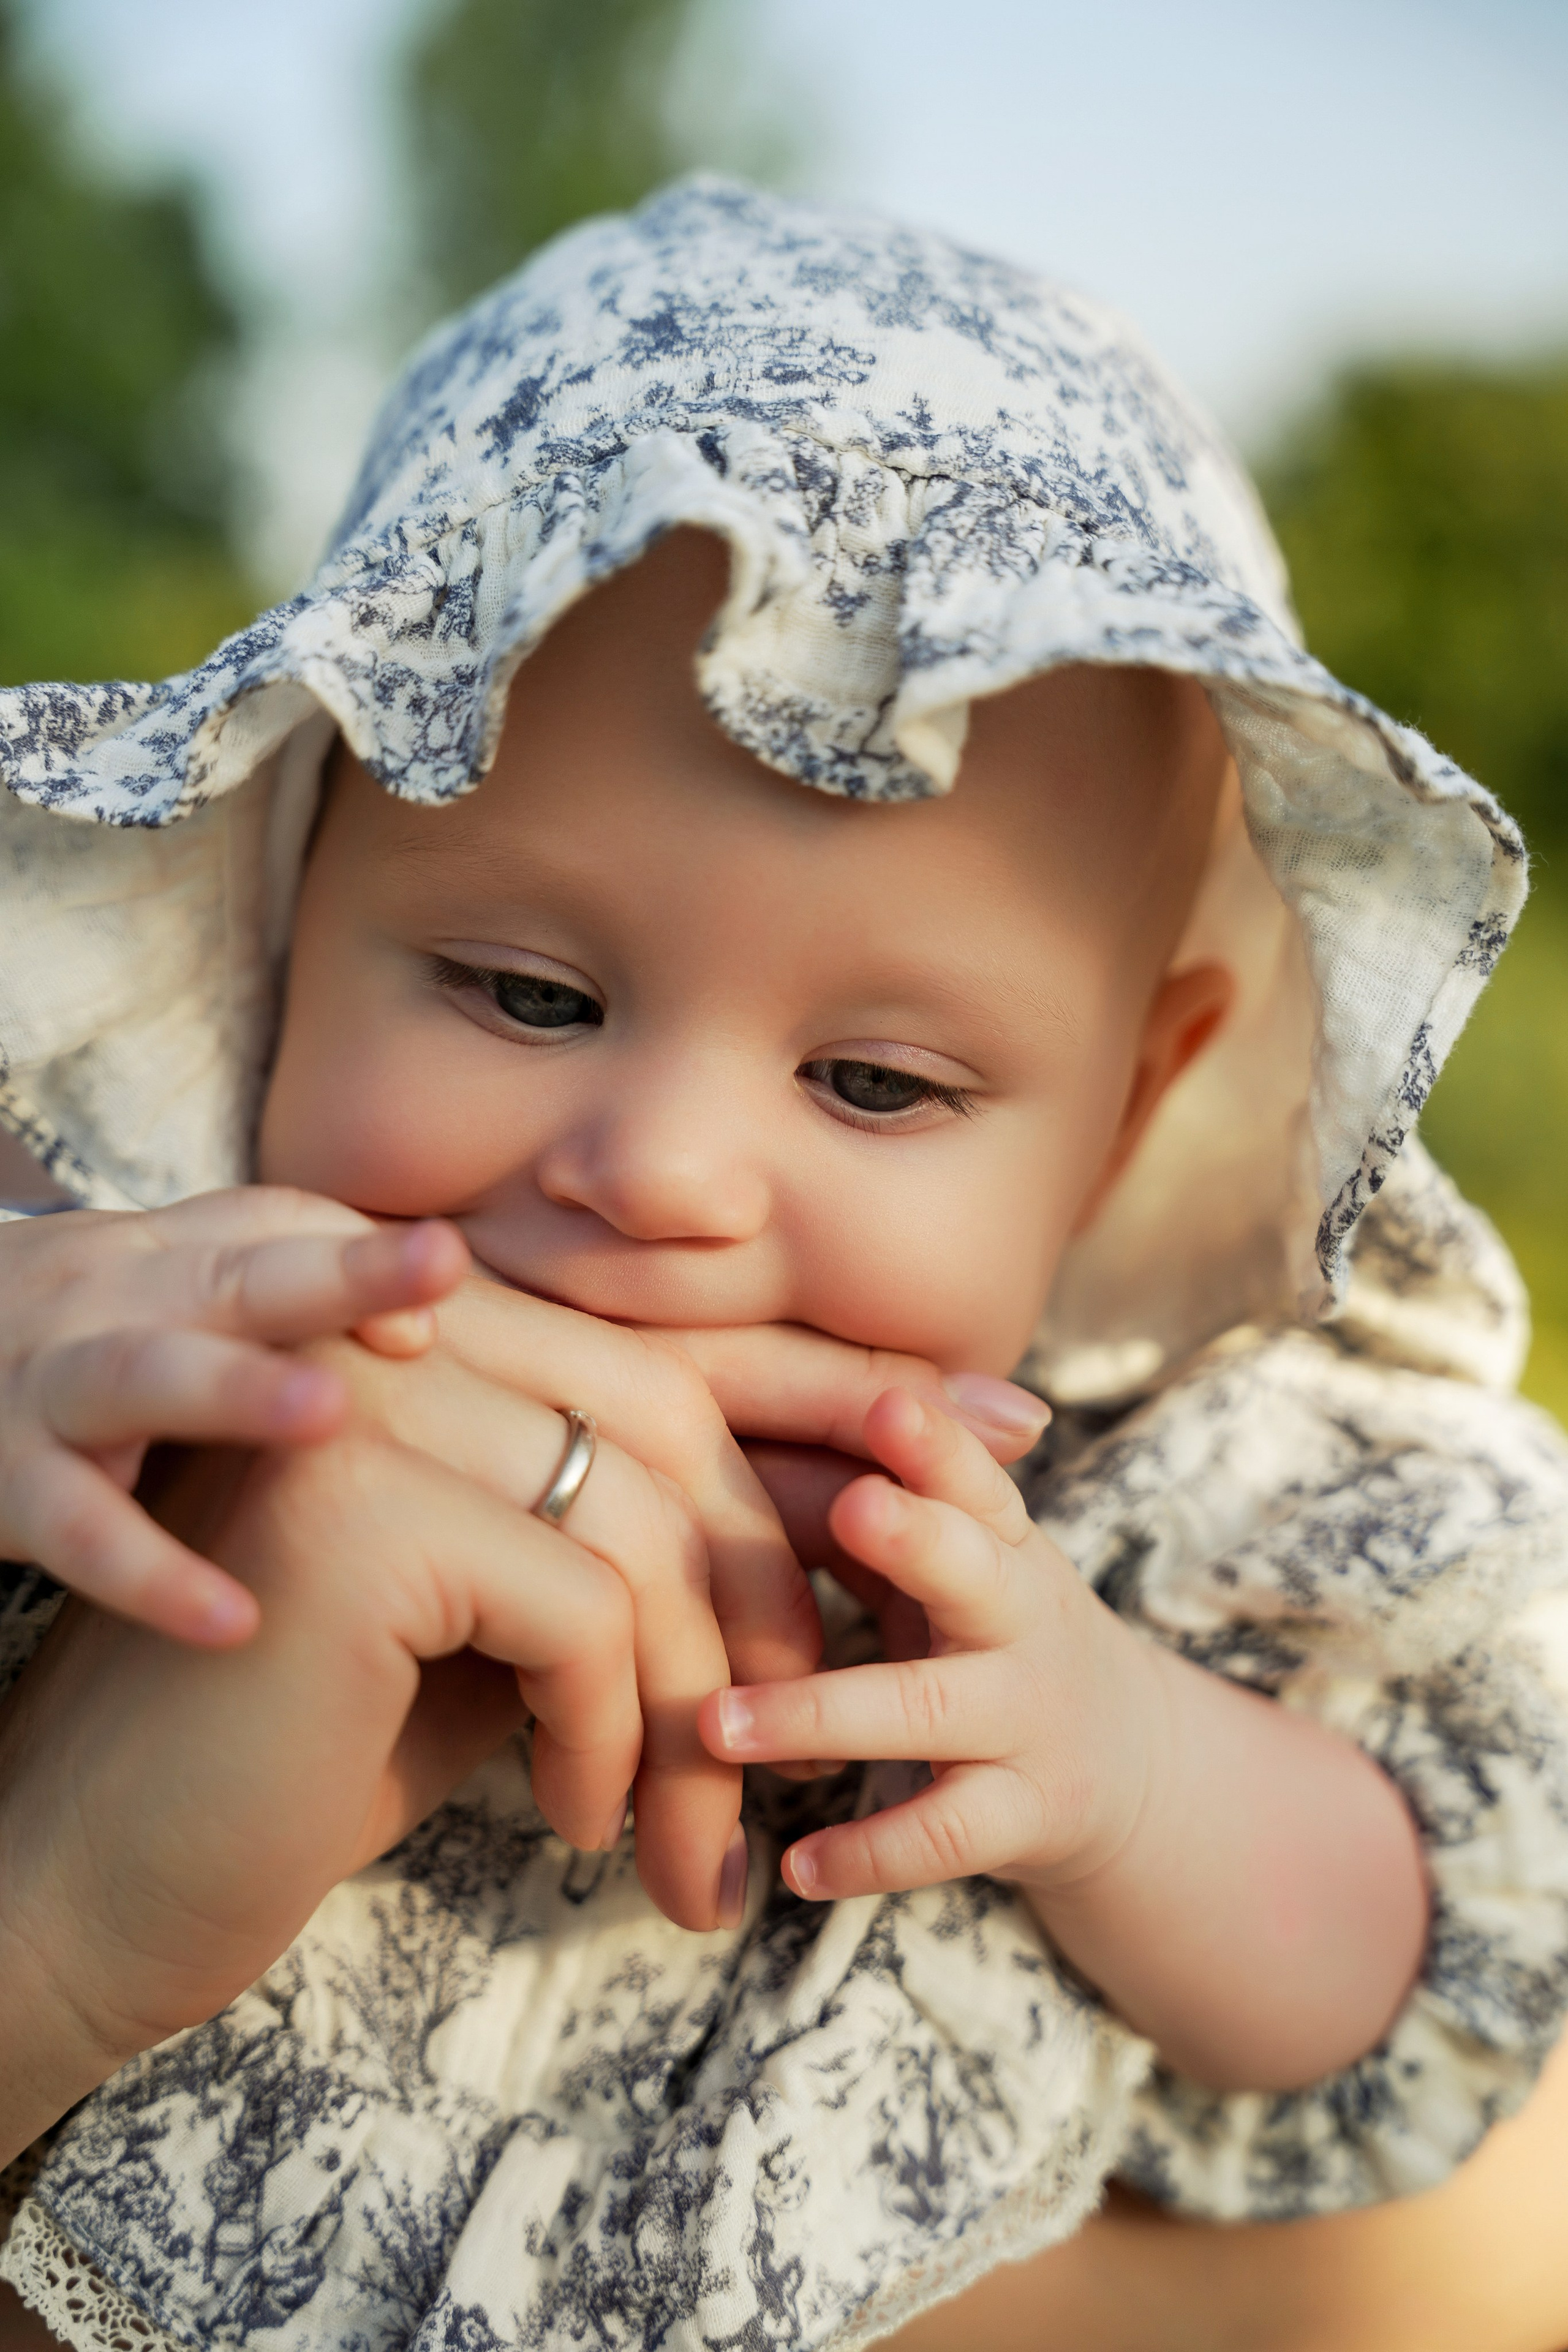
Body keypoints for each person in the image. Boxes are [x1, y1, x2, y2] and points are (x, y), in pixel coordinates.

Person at [1, 178, 1565, 2352]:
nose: (660, 1173)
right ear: (284, 898)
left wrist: (1116, 1762)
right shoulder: (141, 1353)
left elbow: (1378, 1976)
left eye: (879, 1082)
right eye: (525, 994)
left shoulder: (1133, 1516)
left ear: (1127, 1110)